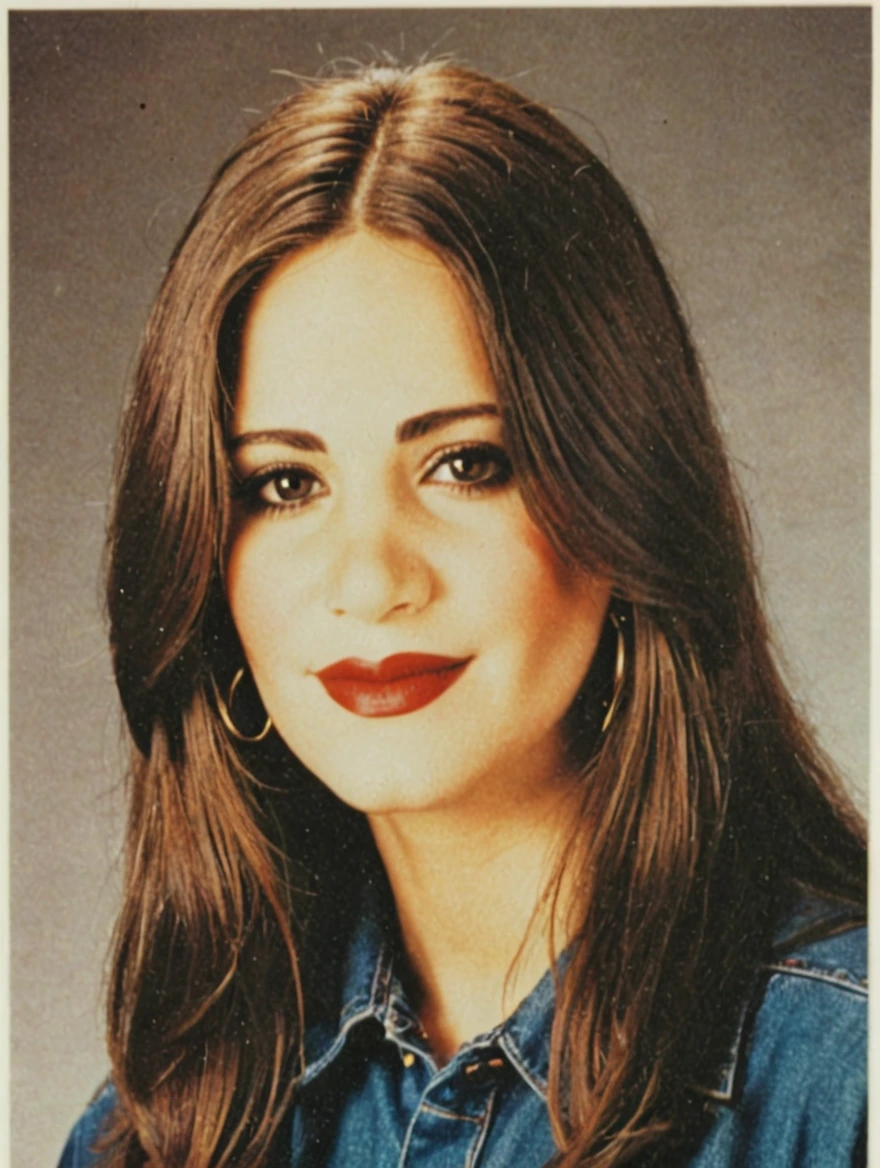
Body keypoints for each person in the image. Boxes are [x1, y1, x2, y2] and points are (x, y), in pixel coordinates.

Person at [58, 62, 865, 1168]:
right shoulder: (153, 1130)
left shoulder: (844, 1076)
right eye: (285, 484)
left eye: (465, 463)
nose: (371, 577)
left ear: (624, 495)